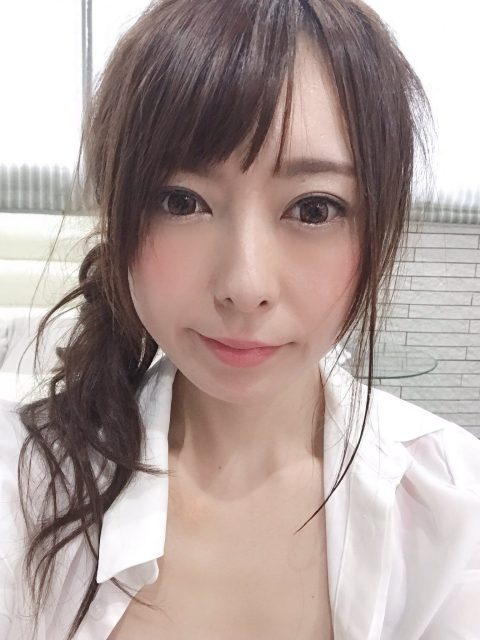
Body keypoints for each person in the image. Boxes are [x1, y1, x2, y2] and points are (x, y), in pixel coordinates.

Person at [1, 0, 479, 638]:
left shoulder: (451, 501)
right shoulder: (23, 485)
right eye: (182, 201)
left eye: (314, 209)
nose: (244, 286)